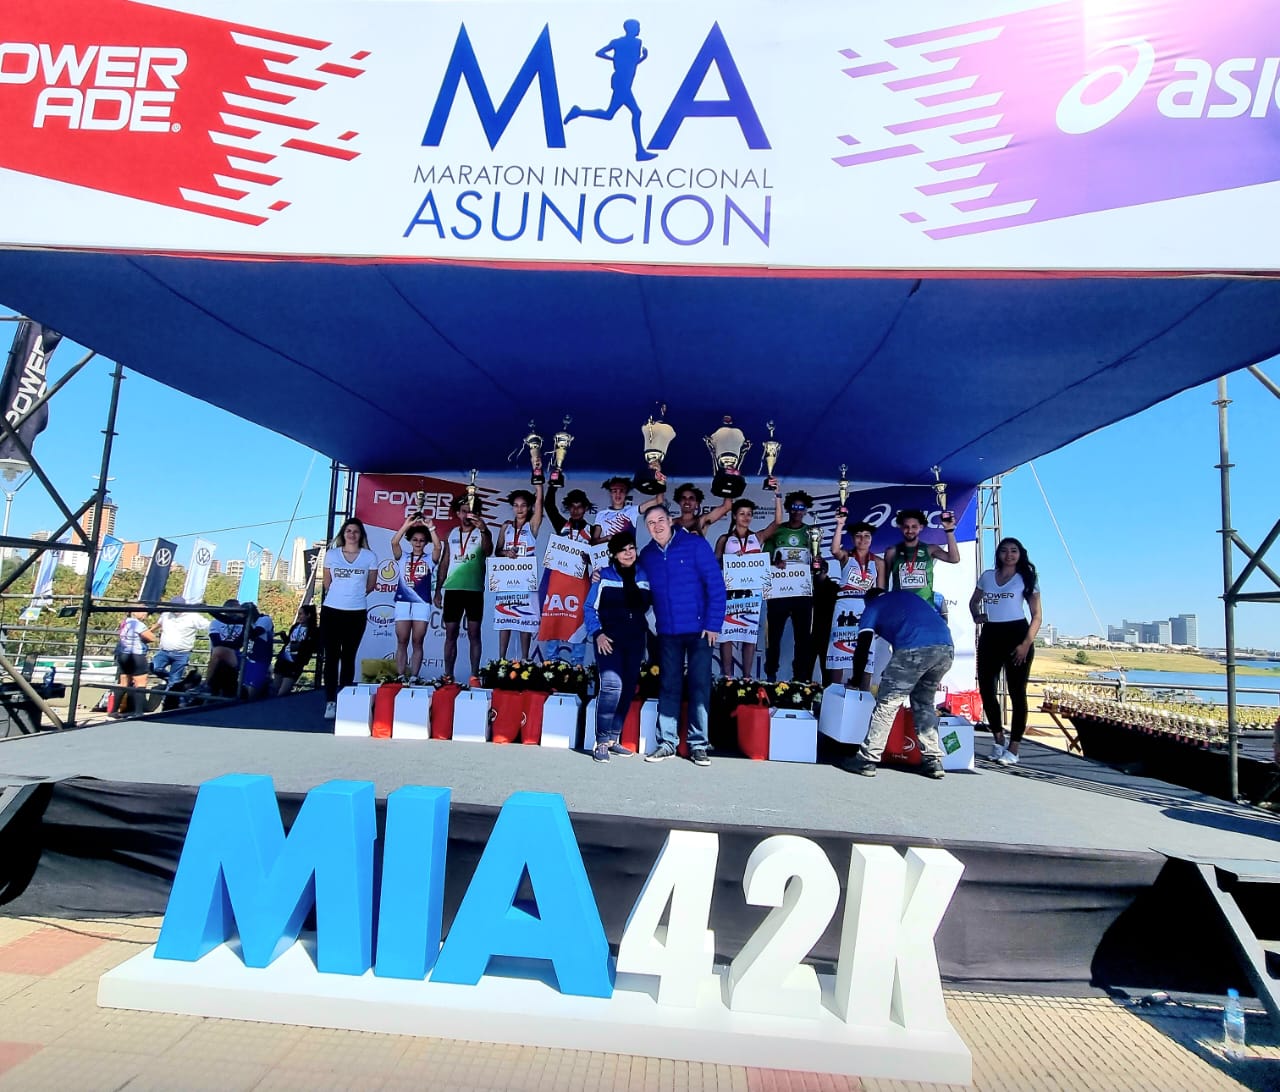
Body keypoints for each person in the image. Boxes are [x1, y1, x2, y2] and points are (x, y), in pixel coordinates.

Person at [640, 506, 725, 766]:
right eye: (651, 523)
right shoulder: (646, 555)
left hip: (700, 631)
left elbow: (716, 585)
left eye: (660, 520)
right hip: (667, 632)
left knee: (699, 687)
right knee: (669, 686)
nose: (656, 526)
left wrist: (713, 624)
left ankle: (698, 745)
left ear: (670, 521)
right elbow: (632, 581)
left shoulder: (695, 545)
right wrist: (601, 574)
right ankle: (667, 743)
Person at [840, 588, 951, 779]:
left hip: (914, 649)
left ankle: (867, 759)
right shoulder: (906, 597)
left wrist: (857, 679)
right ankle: (933, 760)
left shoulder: (873, 607)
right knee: (924, 703)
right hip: (945, 649)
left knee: (888, 704)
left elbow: (863, 645)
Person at [970, 537, 1042, 766]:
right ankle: (998, 738)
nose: (1009, 555)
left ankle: (1015, 747)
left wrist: (1025, 644)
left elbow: (1037, 616)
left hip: (1017, 635)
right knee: (987, 689)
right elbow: (973, 602)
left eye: (1014, 551)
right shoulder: (987, 576)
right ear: (998, 554)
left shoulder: (1026, 579)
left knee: (1016, 692)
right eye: (1004, 551)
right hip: (991, 634)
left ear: (1020, 554)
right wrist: (977, 616)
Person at [583, 530, 653, 763]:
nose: (628, 553)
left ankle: (613, 739)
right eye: (623, 550)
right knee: (612, 686)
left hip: (635, 640)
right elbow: (589, 608)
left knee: (628, 687)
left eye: (631, 548)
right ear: (613, 553)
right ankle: (601, 741)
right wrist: (598, 634)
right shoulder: (602, 575)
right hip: (609, 640)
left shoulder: (645, 574)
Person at [563, 19, 657, 163]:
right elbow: (628, 61)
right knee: (636, 112)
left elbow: (612, 56)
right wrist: (636, 58)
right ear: (631, 28)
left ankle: (578, 112)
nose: (639, 29)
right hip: (622, 83)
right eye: (637, 26)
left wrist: (618, 59)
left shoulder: (617, 43)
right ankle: (639, 152)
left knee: (609, 114)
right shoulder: (636, 43)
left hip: (621, 80)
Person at [714, 493, 782, 677]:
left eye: (749, 514)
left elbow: (777, 523)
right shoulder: (724, 539)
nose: (746, 517)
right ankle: (727, 676)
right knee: (727, 633)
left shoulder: (757, 537)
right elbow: (715, 565)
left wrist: (777, 497)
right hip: (730, 592)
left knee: (749, 634)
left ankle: (746, 677)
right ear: (734, 516)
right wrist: (731, 561)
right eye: (742, 513)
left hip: (752, 593)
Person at [322, 517, 379, 717]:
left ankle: (344, 698)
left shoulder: (369, 556)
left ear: (361, 534)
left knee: (348, 657)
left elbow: (371, 585)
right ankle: (330, 701)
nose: (352, 534)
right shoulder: (331, 555)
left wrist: (353, 596)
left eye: (355, 531)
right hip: (332, 611)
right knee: (331, 657)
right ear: (343, 534)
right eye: (348, 531)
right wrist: (341, 595)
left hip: (356, 612)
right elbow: (327, 583)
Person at [435, 497, 493, 682]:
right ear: (458, 513)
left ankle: (474, 676)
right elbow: (444, 563)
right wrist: (438, 590)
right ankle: (448, 675)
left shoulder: (482, 531)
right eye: (463, 511)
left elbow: (488, 551)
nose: (467, 515)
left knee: (474, 634)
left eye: (470, 511)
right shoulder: (452, 534)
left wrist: (484, 529)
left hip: (474, 590)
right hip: (453, 589)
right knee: (450, 633)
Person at [537, 484, 595, 665]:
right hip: (558, 582)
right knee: (553, 620)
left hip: (579, 584)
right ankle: (551, 665)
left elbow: (599, 559)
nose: (576, 510)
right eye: (572, 506)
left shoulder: (593, 531)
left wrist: (590, 558)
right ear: (568, 508)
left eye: (579, 507)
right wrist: (553, 486)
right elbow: (548, 505)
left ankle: (578, 666)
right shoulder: (562, 525)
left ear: (585, 508)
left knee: (579, 623)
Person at [763, 490, 817, 682]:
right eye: (793, 507)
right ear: (787, 509)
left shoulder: (812, 532)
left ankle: (799, 678)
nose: (797, 511)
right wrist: (775, 562)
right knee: (774, 638)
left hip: (802, 594)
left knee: (802, 638)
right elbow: (765, 559)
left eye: (801, 507)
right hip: (779, 593)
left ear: (805, 510)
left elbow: (816, 562)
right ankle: (770, 675)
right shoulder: (777, 531)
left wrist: (818, 565)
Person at [829, 514, 884, 688]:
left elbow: (880, 591)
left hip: (867, 610)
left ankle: (864, 693)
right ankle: (835, 691)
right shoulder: (847, 556)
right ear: (853, 538)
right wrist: (839, 525)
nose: (863, 540)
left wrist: (879, 618)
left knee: (867, 652)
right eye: (859, 536)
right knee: (838, 651)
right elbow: (834, 550)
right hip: (844, 605)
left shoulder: (879, 562)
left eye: (867, 536)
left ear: (871, 539)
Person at [390, 511, 443, 681]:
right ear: (410, 541)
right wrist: (406, 525)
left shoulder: (430, 559)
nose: (418, 543)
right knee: (402, 640)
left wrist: (431, 527)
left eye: (422, 540)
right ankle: (400, 676)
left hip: (421, 603)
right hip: (403, 602)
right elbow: (394, 542)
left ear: (425, 542)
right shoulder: (403, 557)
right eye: (415, 540)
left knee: (418, 641)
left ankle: (414, 676)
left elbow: (438, 547)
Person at [494, 486, 544, 660]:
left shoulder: (532, 525)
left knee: (525, 621)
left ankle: (525, 660)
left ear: (529, 507)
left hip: (525, 579)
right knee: (504, 619)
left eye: (523, 505)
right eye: (516, 505)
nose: (520, 509)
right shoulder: (506, 527)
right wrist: (506, 553)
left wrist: (539, 485)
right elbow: (497, 550)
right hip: (507, 579)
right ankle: (501, 660)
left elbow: (540, 503)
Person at [881, 507, 960, 602]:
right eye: (906, 527)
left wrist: (949, 531)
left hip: (925, 606)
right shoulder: (892, 551)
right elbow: (884, 580)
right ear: (901, 527)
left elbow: (954, 559)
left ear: (921, 527)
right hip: (900, 606)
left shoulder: (930, 549)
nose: (910, 530)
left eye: (914, 526)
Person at [150, 596, 209, 690]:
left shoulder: (193, 617)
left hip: (182, 653)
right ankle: (172, 680)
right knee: (154, 667)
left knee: (174, 680)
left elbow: (208, 625)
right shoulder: (166, 614)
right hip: (164, 651)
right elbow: (159, 623)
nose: (176, 609)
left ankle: (169, 699)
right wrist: (149, 631)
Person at [113, 608, 155, 716]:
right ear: (136, 612)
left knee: (123, 683)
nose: (146, 614)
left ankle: (113, 711)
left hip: (124, 654)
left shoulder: (125, 622)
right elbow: (151, 637)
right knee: (141, 683)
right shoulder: (138, 624)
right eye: (144, 612)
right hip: (136, 655)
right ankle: (138, 712)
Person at [593, 476, 662, 541]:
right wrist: (607, 538)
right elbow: (594, 541)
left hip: (628, 552)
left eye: (622, 491)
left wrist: (660, 478)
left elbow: (659, 500)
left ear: (626, 493)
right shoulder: (601, 514)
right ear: (610, 493)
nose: (618, 494)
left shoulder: (632, 511)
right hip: (609, 552)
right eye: (614, 491)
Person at [273, 604, 318, 696]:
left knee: (283, 692)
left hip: (296, 663)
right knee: (275, 688)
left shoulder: (313, 631)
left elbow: (312, 647)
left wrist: (300, 645)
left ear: (308, 615)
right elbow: (289, 642)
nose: (299, 616)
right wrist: (284, 637)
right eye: (299, 614)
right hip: (283, 659)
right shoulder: (295, 626)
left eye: (301, 614)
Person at [666, 482, 731, 538]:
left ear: (697, 503)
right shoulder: (672, 523)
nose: (687, 501)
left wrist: (728, 482)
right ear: (679, 502)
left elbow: (727, 506)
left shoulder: (701, 520)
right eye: (683, 498)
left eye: (691, 498)